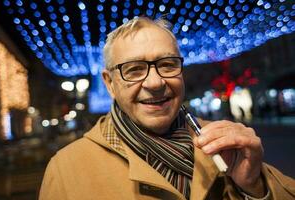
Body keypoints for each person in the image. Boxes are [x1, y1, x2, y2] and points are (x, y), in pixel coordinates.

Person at [39, 17, 295, 200]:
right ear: (110, 84)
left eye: (168, 64)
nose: (155, 82)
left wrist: (254, 188)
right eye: (134, 70)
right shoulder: (66, 170)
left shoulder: (225, 144)